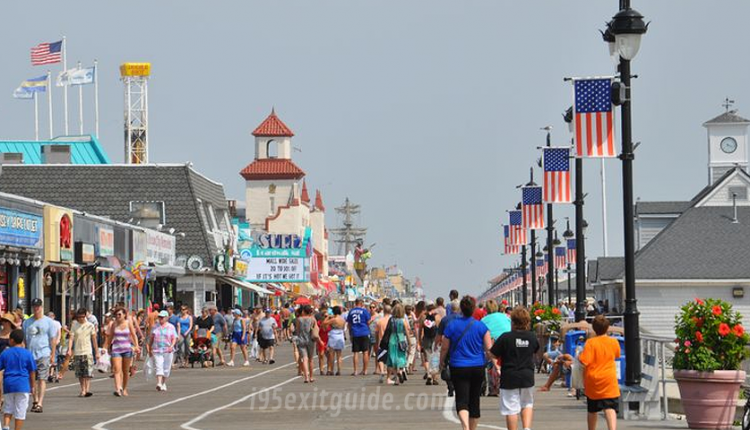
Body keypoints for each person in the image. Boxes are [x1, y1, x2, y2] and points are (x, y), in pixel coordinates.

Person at [439, 296, 492, 430]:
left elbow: (444, 347)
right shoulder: (481, 326)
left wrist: (441, 362)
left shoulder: (452, 325)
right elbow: (489, 348)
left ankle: (465, 427)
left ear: (461, 309)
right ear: (474, 309)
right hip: (477, 366)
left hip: (458, 366)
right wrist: (492, 362)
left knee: (462, 400)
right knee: (474, 400)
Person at [489, 307, 540, 430]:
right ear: (527, 322)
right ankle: (526, 428)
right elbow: (536, 351)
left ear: (512, 322)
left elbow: (492, 353)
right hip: (527, 375)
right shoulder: (532, 337)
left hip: (509, 376)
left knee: (511, 408)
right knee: (527, 403)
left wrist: (497, 366)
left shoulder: (506, 337)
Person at [578, 315, 621, 430]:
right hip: (609, 378)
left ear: (594, 328)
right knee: (610, 407)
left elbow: (584, 361)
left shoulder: (590, 343)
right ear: (607, 328)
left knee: (592, 409)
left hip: (593, 379)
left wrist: (579, 355)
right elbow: (617, 355)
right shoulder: (614, 342)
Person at [22, 298, 58, 414]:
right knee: (32, 379)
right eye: (34, 306)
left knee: (42, 378)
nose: (36, 308)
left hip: (44, 353)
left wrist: (53, 354)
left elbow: (52, 339)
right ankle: (35, 399)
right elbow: (24, 340)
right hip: (30, 354)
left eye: (38, 306)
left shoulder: (48, 322)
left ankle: (40, 403)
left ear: (41, 307)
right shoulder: (27, 322)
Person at [0, 329, 36, 430]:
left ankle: (6, 426)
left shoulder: (5, 353)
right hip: (23, 384)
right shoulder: (27, 354)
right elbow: (32, 371)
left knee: (8, 407)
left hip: (9, 384)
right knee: (20, 410)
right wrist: (33, 386)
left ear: (12, 340)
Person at [66, 308, 99, 397]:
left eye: (83, 317)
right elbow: (71, 338)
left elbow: (94, 339)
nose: (81, 318)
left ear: (85, 316)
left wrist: (97, 352)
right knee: (80, 373)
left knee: (88, 372)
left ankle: (87, 389)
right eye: (79, 317)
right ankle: (83, 389)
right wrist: (69, 349)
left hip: (87, 351)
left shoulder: (90, 325)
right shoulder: (74, 325)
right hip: (77, 352)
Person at [107, 307, 139, 397]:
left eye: (120, 314)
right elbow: (110, 337)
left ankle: (124, 388)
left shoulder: (128, 323)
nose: (118, 316)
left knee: (125, 371)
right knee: (116, 369)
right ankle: (118, 388)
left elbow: (133, 335)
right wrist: (106, 348)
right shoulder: (114, 324)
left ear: (124, 315)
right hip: (116, 349)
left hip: (127, 350)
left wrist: (136, 345)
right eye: (116, 314)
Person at [149, 310, 177, 392]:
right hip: (157, 350)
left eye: (162, 317)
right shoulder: (155, 326)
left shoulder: (171, 327)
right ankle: (159, 383)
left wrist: (172, 346)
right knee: (159, 366)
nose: (160, 319)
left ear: (166, 318)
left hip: (168, 350)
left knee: (166, 368)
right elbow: (152, 337)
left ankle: (163, 382)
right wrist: (149, 347)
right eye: (159, 317)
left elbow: (174, 338)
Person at [385, 304, 411, 385]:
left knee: (393, 358)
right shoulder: (403, 321)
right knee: (401, 357)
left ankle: (396, 378)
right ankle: (400, 371)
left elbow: (387, 331)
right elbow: (407, 333)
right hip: (401, 339)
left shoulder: (391, 320)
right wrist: (409, 344)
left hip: (392, 339)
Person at [345, 298, 371, 376]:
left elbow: (349, 323)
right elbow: (368, 321)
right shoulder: (364, 311)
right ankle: (365, 370)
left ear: (355, 303)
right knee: (365, 352)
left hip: (355, 333)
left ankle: (355, 370)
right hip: (364, 332)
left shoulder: (351, 311)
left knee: (355, 352)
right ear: (361, 303)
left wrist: (350, 332)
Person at [294, 305, 316, 383]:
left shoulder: (299, 319)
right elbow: (315, 328)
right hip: (310, 340)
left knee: (304, 359)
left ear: (303, 311)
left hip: (301, 340)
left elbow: (297, 330)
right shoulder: (312, 319)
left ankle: (306, 377)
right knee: (311, 359)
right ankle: (311, 377)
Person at [419, 304, 440, 385]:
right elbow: (440, 330)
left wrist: (419, 340)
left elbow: (420, 329)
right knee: (435, 357)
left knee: (427, 358)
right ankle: (434, 377)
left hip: (426, 338)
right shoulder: (437, 317)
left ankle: (428, 374)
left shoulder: (423, 317)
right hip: (435, 339)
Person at [322, 306, 346, 376]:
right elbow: (344, 328)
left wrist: (328, 316)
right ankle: (339, 370)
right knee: (339, 355)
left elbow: (324, 323)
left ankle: (331, 370)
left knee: (331, 354)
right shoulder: (342, 319)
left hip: (333, 335)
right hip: (340, 335)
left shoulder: (334, 319)